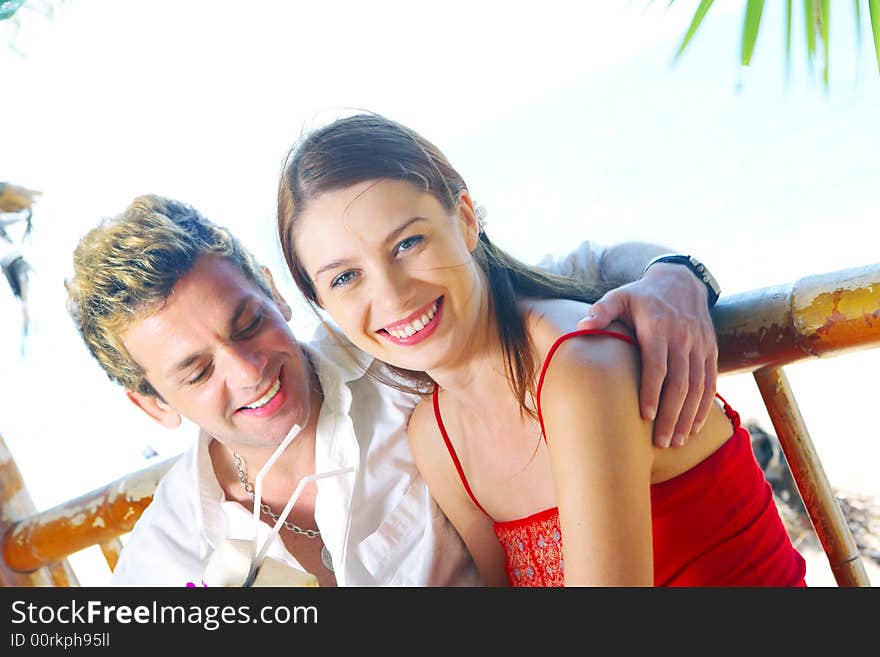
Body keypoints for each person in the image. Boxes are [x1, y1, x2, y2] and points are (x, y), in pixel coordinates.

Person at [66, 192, 717, 586]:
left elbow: (586, 270)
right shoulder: (167, 552)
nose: (249, 370)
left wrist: (675, 276)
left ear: (272, 289)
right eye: (198, 372)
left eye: (248, 322)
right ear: (150, 403)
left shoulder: (397, 346)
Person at [276, 113, 807, 586]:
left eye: (408, 243)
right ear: (322, 306)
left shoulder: (580, 367)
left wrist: (676, 269)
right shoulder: (434, 439)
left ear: (463, 219)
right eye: (346, 277)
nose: (391, 295)